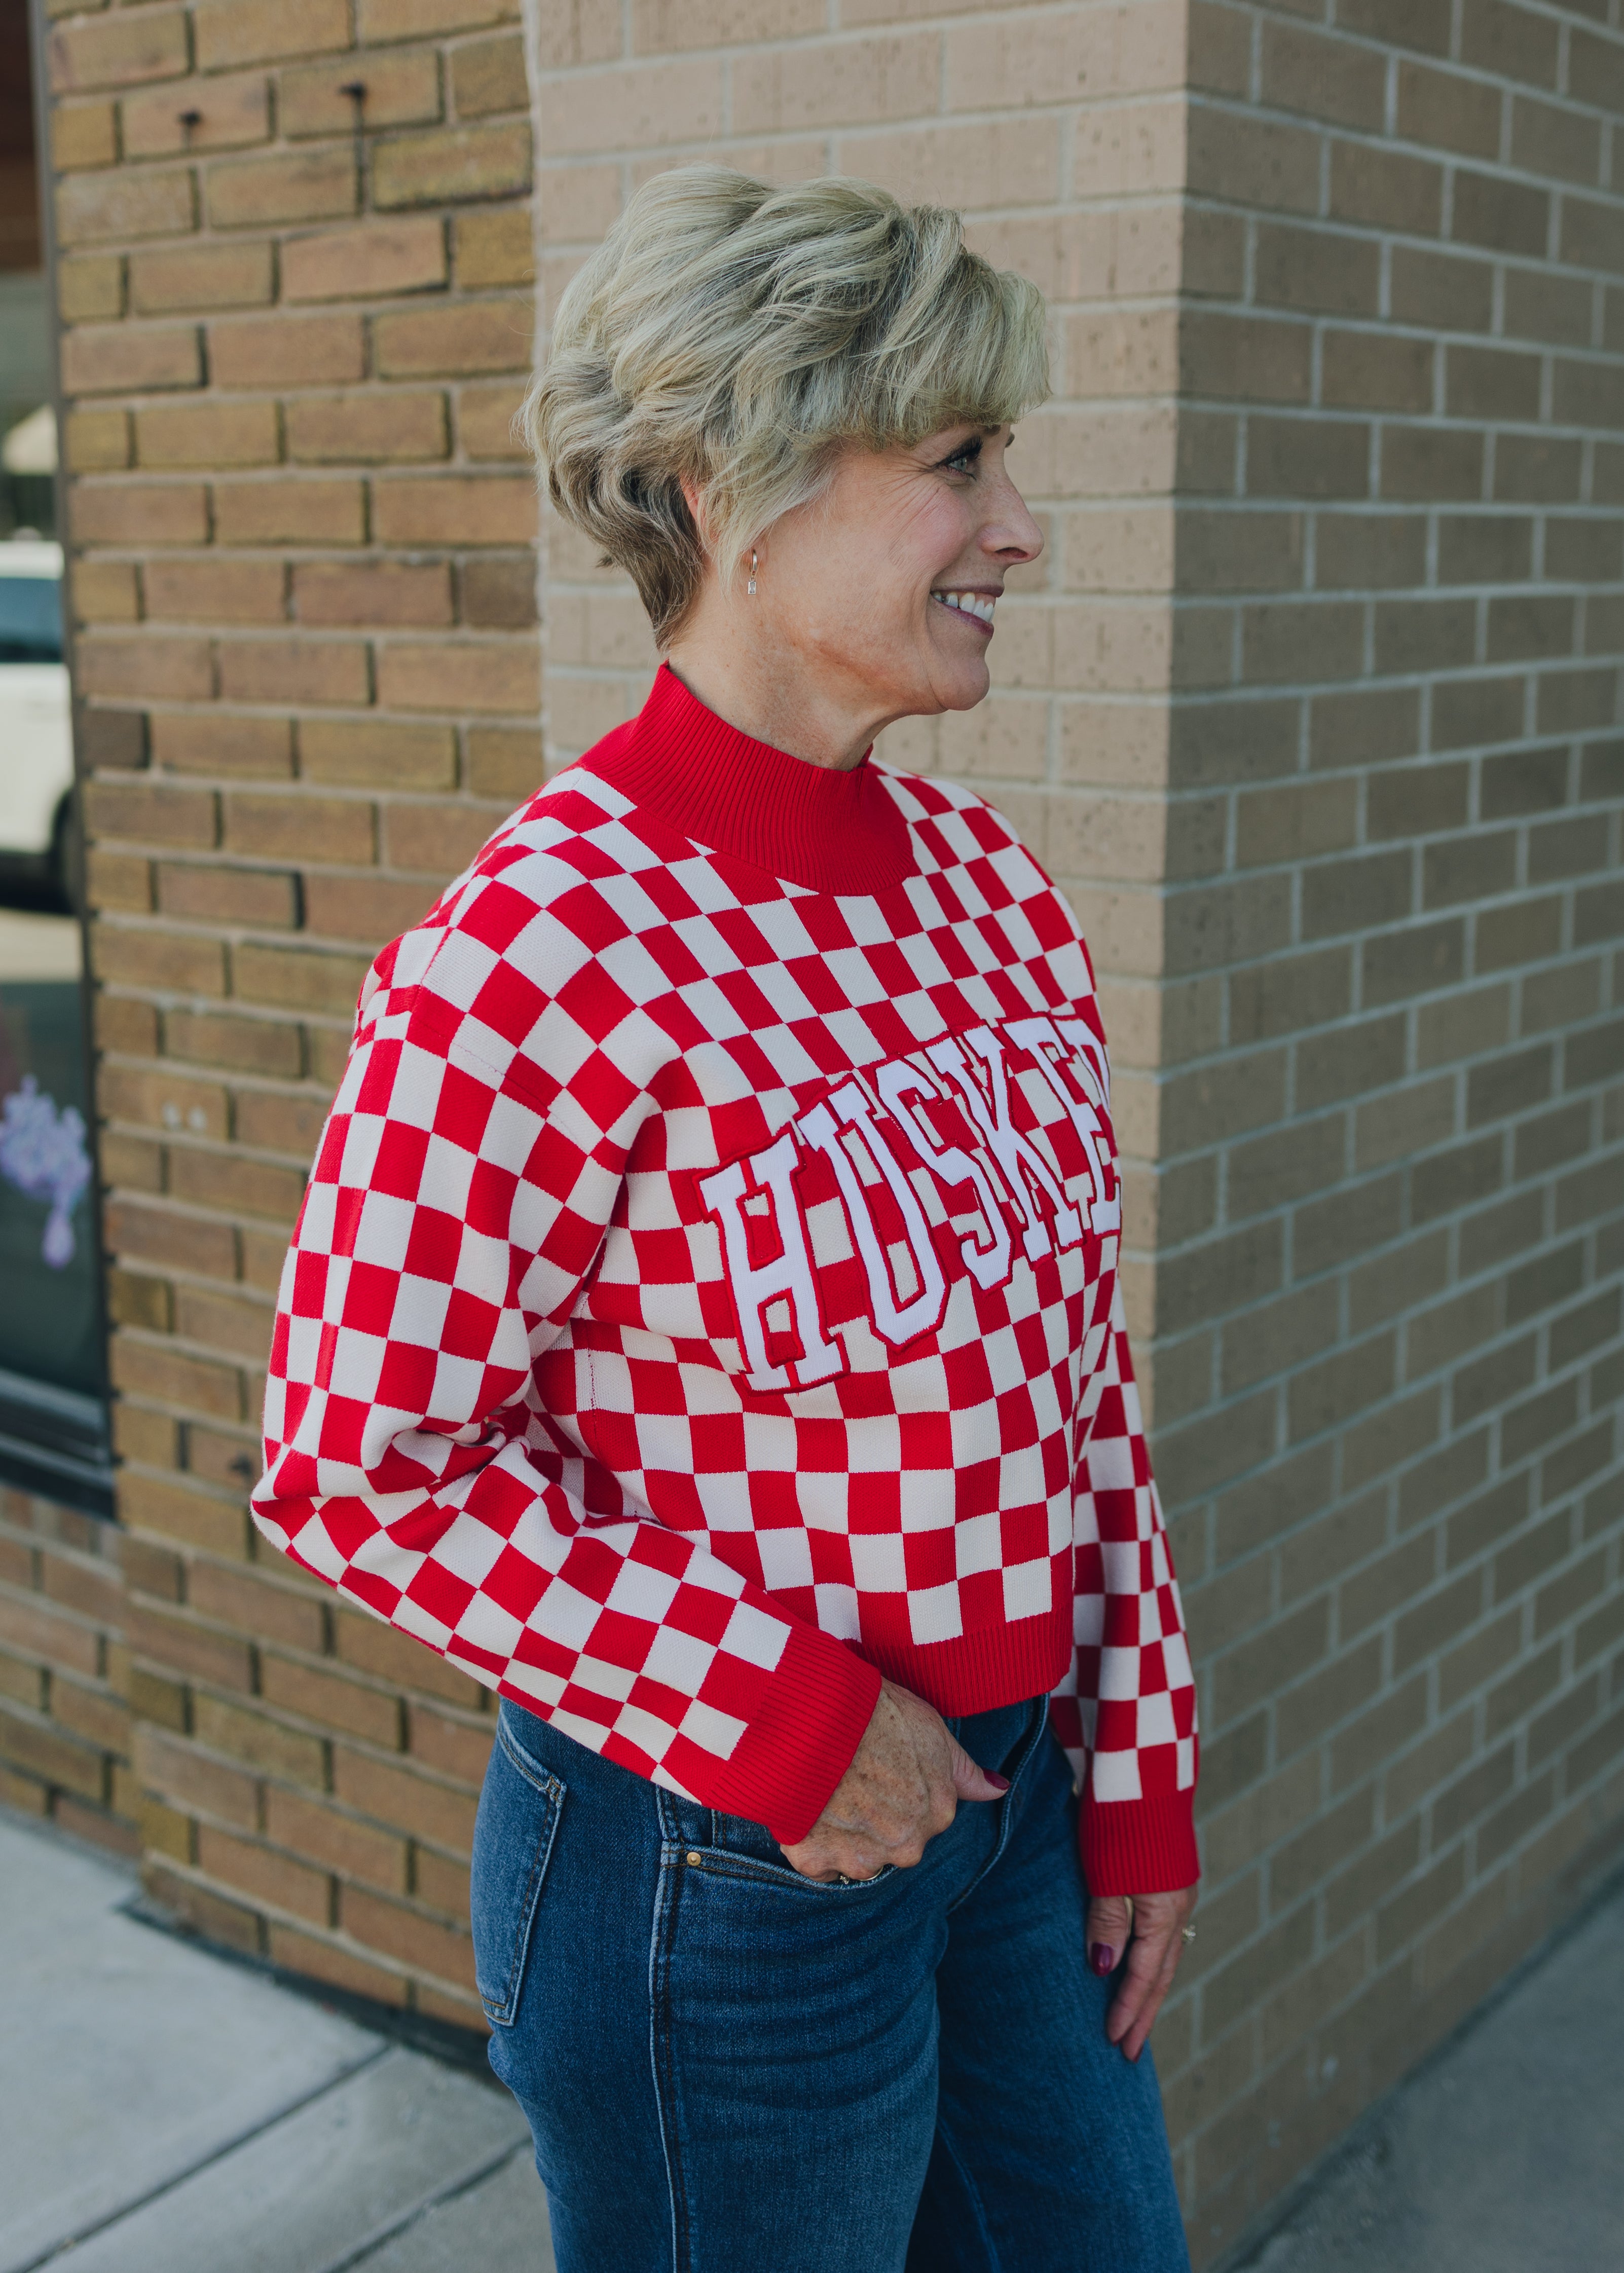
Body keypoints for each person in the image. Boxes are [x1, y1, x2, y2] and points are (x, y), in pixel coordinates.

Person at [253, 166, 1200, 2273]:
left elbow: (1079, 1385)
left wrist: (1136, 1764)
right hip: (716, 1870)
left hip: (1020, 1823)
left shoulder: (994, 896)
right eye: (956, 460)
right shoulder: (538, 948)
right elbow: (360, 1467)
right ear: (724, 490)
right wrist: (785, 1721)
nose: (1020, 527)